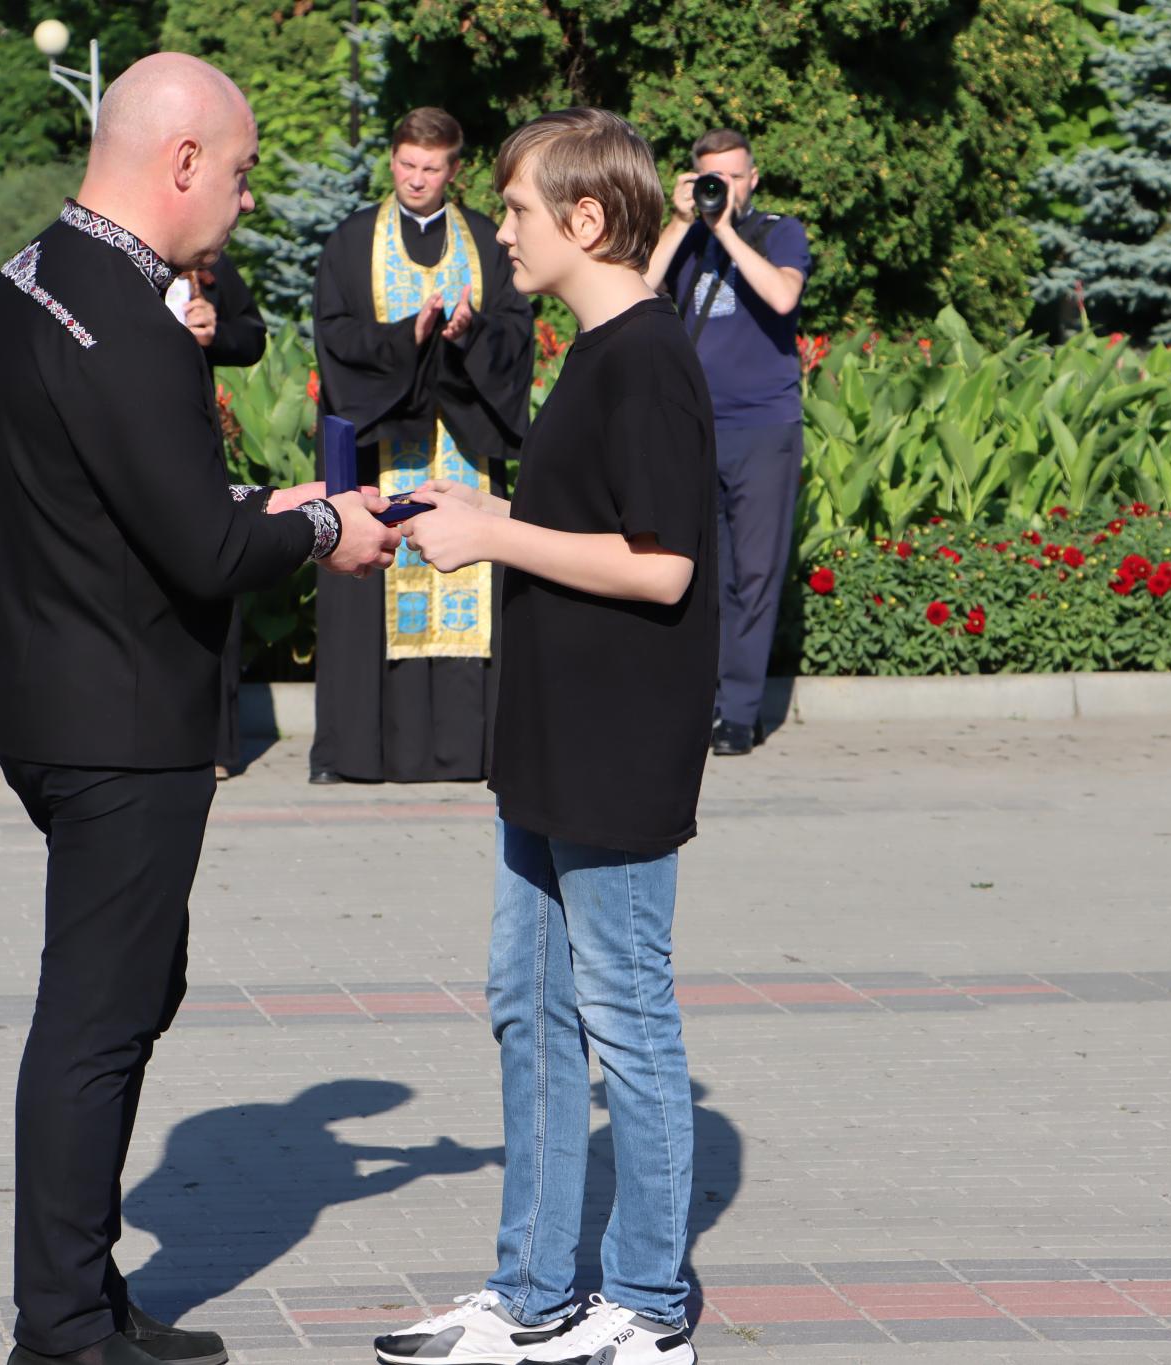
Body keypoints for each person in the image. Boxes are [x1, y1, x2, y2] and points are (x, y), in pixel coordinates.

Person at [0, 53, 401, 1365]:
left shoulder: (39, 277)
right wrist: (326, 524)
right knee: (98, 1022)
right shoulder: (134, 317)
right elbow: (201, 559)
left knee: (123, 997)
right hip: (123, 722)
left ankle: (89, 1299)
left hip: (58, 694)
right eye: (245, 170)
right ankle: (59, 1328)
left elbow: (127, 506)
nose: (249, 198)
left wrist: (247, 507)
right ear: (182, 163)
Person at [377, 107, 714, 1365]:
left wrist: (493, 533)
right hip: (551, 740)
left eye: (513, 212)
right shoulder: (595, 350)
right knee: (528, 1006)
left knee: (625, 1015)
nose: (495, 232)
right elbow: (593, 520)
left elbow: (665, 566)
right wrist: (489, 509)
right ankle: (530, 1293)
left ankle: (647, 1309)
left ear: (585, 219)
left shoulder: (647, 357)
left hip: (618, 742)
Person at [310, 107, 535, 784]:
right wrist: (407, 337)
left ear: (454, 170)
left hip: (464, 441)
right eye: (406, 164)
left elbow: (517, 335)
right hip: (386, 444)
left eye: (431, 168)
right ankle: (363, 753)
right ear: (392, 161)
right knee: (378, 579)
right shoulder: (351, 242)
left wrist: (466, 333)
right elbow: (335, 337)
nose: (416, 179)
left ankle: (474, 753)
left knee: (471, 576)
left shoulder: (490, 241)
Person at [643, 128, 809, 757]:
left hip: (764, 426)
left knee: (755, 573)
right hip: (693, 426)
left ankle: (739, 712)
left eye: (734, 177)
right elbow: (634, 292)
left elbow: (783, 294)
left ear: (752, 179)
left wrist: (726, 230)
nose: (724, 188)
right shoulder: (682, 237)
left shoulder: (777, 231)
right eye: (712, 177)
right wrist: (680, 221)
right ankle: (700, 703)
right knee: (696, 570)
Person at [167, 253, 266, 778]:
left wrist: (215, 334)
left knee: (209, 574)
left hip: (194, 444)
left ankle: (215, 743)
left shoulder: (201, 263)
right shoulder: (106, 263)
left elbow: (252, 337)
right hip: (121, 439)